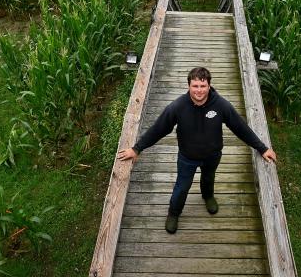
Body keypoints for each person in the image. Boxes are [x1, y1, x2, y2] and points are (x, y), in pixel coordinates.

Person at [117, 66, 277, 234]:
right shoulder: (177, 107)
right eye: (195, 86)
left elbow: (240, 127)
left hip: (212, 155)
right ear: (189, 86)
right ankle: (173, 213)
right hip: (187, 157)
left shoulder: (221, 105)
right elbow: (158, 129)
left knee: (208, 178)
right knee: (182, 187)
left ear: (209, 86)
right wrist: (137, 149)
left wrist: (262, 148)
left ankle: (208, 196)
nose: (199, 90)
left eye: (203, 86)